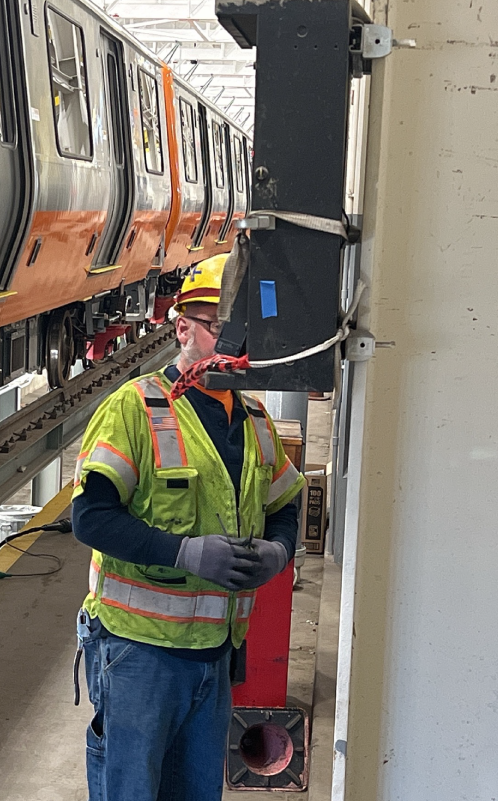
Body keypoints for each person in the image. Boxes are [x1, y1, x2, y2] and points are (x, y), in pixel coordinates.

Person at [72, 253, 305, 800]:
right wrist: (183, 554)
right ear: (183, 328)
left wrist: (280, 550)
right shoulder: (134, 409)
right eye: (221, 324)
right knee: (130, 790)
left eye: (244, 327)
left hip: (215, 655)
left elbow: (286, 504)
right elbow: (90, 517)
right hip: (139, 654)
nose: (235, 339)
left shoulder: (253, 419)